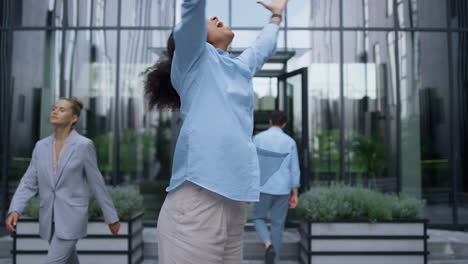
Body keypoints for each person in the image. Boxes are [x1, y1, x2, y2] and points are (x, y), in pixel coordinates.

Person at [143, 0, 288, 263]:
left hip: (233, 205)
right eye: (209, 21)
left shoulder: (238, 68)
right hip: (197, 202)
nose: (216, 18)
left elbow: (263, 47)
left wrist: (277, 15)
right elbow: (192, 11)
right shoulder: (192, 63)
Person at [5, 97, 120, 264]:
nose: (55, 111)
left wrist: (111, 217)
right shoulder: (41, 146)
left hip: (71, 217)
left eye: (62, 109)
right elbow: (29, 182)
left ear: (74, 118)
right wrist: (15, 209)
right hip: (49, 217)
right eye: (54, 108)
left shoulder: (83, 145)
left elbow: (97, 184)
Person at [252, 111, 300, 264]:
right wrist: (295, 193)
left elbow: (251, 164)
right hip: (283, 189)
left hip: (263, 186)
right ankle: (276, 260)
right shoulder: (290, 142)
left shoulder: (258, 139)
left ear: (270, 121)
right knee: (278, 225)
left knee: (258, 218)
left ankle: (268, 244)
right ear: (284, 124)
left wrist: (248, 188)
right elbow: (294, 168)